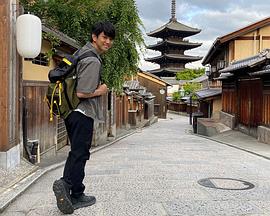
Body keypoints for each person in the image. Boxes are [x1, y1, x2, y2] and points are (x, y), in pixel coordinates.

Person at [52, 21, 115, 214]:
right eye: (104, 37)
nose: (108, 42)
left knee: (77, 153)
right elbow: (82, 92)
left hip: (72, 112)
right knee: (80, 154)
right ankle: (66, 184)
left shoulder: (81, 52)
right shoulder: (92, 60)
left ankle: (76, 192)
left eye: (111, 39)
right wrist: (102, 90)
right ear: (94, 37)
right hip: (82, 112)